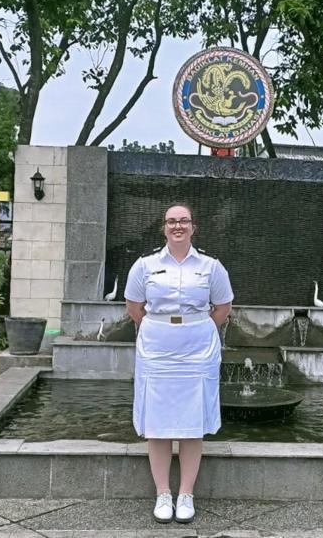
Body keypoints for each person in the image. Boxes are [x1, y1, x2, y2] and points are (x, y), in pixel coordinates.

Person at [123, 203, 233, 524]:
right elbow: (134, 307)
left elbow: (223, 307)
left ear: (193, 227)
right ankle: (162, 493)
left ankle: (186, 493)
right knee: (157, 425)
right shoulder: (145, 266)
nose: (177, 226)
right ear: (164, 227)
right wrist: (160, 330)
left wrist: (197, 329)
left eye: (183, 221)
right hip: (157, 349)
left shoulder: (211, 267)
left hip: (197, 350)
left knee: (191, 423)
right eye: (171, 221)